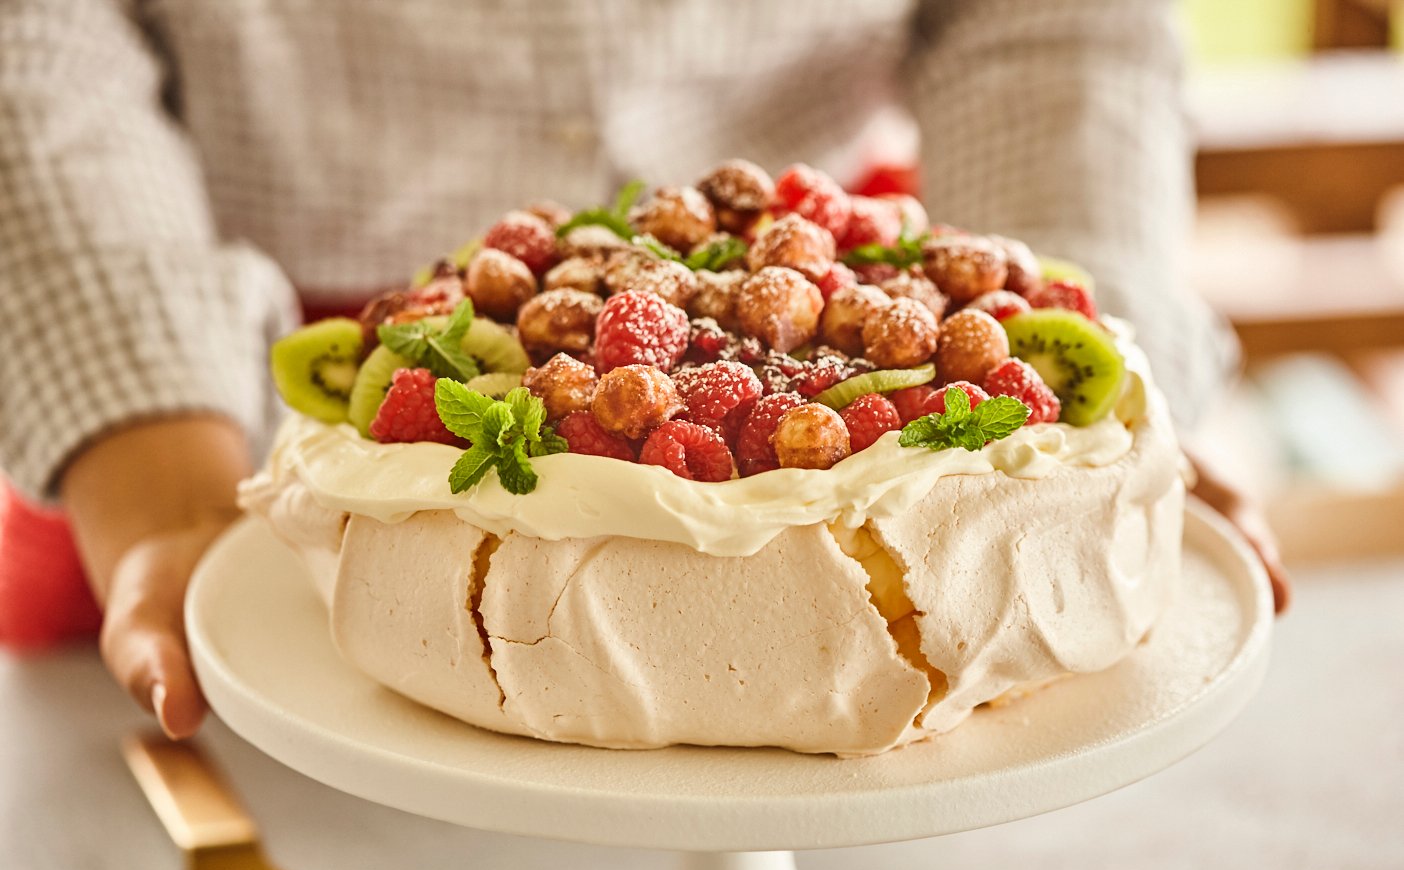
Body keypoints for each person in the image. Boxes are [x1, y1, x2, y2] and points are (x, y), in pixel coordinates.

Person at [0, 0, 1289, 740]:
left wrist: (1074, 398)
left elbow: (1052, 22)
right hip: (239, 391)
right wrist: (151, 463)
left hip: (858, 351)